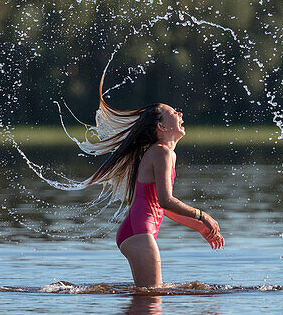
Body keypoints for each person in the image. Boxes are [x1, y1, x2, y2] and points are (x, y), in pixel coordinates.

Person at [77, 84, 224, 288]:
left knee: (149, 299)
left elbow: (160, 206)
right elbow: (167, 201)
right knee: (152, 299)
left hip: (136, 232)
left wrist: (198, 227)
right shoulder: (162, 153)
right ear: (162, 127)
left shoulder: (164, 153)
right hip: (140, 234)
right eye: (173, 112)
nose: (180, 113)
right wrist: (202, 215)